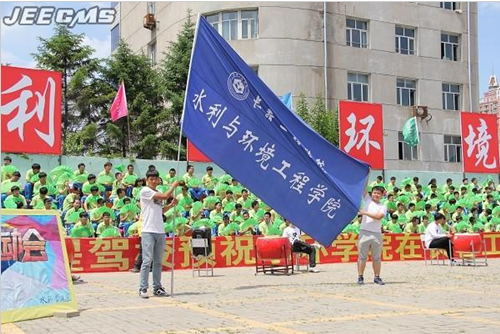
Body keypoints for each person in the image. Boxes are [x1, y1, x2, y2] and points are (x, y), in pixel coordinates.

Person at [139, 169, 179, 299]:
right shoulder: (145, 191)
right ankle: (143, 288)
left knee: (158, 261)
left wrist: (171, 206)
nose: (154, 181)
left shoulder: (158, 192)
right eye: (151, 179)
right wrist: (173, 186)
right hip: (148, 230)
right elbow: (165, 197)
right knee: (147, 260)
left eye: (156, 179)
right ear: (147, 180)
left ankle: (157, 287)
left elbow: (160, 210)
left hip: (160, 231)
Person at [357, 185, 387, 285]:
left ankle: (377, 277)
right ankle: (360, 277)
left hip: (376, 233)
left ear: (382, 194)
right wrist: (368, 172)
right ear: (372, 193)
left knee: (377, 257)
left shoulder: (383, 206)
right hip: (364, 231)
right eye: (374, 192)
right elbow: (364, 187)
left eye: (378, 193)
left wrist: (365, 213)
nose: (376, 195)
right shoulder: (367, 200)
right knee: (362, 257)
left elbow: (378, 217)